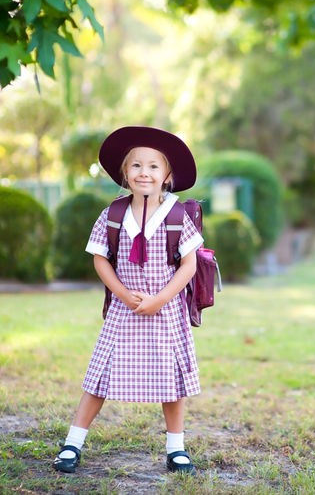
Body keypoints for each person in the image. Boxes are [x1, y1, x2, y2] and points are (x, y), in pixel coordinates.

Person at [53, 126, 203, 475]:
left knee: (171, 381)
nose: (144, 172)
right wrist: (123, 294)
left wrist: (159, 300)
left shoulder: (177, 216)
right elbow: (100, 259)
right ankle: (73, 443)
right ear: (124, 172)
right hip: (125, 310)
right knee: (99, 375)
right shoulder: (113, 214)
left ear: (167, 175)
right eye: (136, 165)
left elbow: (189, 265)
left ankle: (176, 448)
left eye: (153, 166)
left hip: (166, 311)